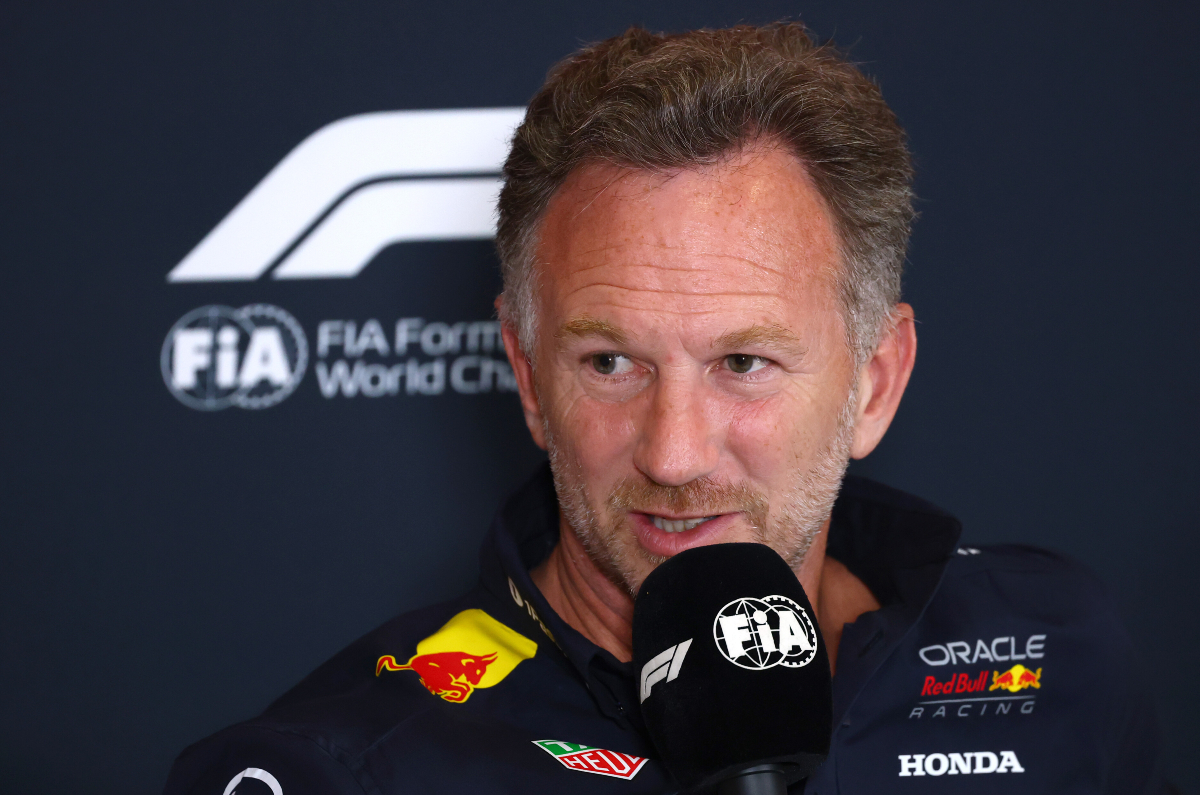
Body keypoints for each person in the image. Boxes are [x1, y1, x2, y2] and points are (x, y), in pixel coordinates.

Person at [164, 23, 1166, 794]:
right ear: (528, 376)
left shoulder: (1052, 654)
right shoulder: (345, 768)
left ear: (875, 381)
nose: (674, 454)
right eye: (611, 362)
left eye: (743, 362)